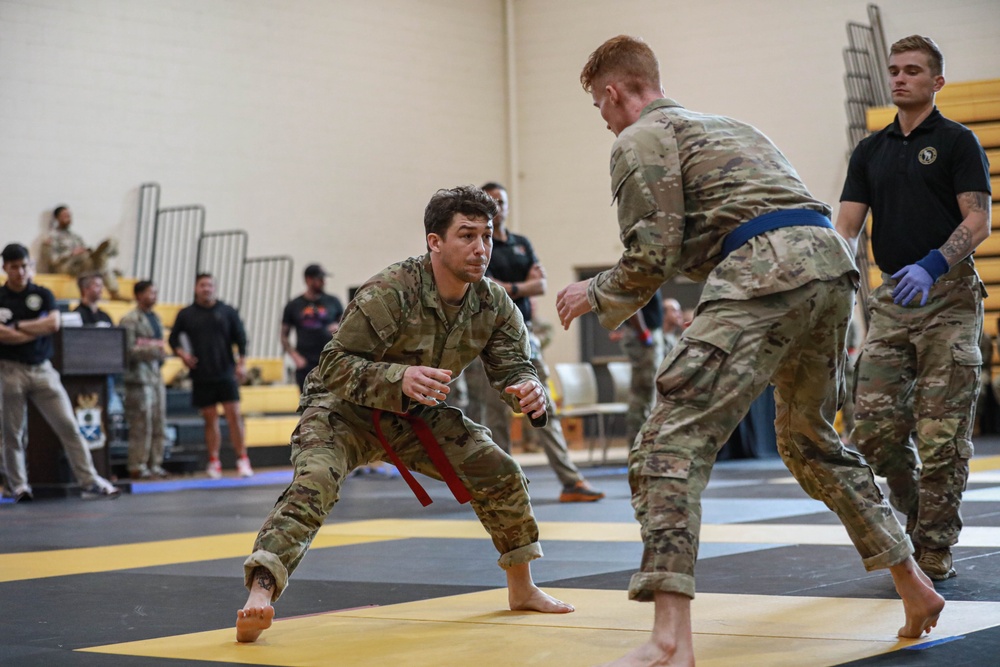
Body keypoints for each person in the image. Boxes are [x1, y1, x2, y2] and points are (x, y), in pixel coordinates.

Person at [555, 35, 944, 666]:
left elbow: (651, 255)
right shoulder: (729, 126)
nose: (605, 122)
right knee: (808, 438)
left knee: (667, 443)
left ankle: (669, 639)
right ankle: (914, 586)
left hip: (767, 268)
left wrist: (592, 291)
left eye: (601, 110)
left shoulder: (640, 138)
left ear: (613, 93)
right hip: (830, 267)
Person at [235, 186, 574, 643]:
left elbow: (512, 366)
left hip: (413, 416)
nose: (481, 249)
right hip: (343, 410)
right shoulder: (392, 289)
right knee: (314, 481)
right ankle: (262, 591)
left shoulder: (494, 304)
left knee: (499, 469)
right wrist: (399, 377)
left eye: (487, 236)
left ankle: (523, 588)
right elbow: (333, 364)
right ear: (435, 242)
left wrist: (526, 389)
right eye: (467, 236)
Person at [836, 35, 992, 582]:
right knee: (874, 429)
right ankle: (923, 518)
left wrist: (933, 265)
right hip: (891, 302)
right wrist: (834, 279)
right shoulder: (870, 151)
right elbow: (847, 228)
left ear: (936, 82)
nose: (900, 78)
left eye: (912, 71)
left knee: (941, 434)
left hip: (947, 298)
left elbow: (977, 221)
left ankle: (933, 548)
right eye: (894, 70)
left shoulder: (957, 142)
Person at [463, 182, 604, 503]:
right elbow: (484, 286)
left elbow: (540, 285)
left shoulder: (521, 244)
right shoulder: (477, 246)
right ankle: (504, 487)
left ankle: (571, 481)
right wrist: (521, 286)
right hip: (485, 337)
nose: (499, 207)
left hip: (524, 333)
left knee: (544, 406)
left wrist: (510, 287)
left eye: (503, 201)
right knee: (496, 416)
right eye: (493, 202)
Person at [0, 243, 121, 501]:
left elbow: (53, 323)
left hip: (43, 369)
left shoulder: (42, 293)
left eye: (24, 266)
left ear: (30, 266)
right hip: (9, 370)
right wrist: (34, 329)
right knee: (12, 433)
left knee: (69, 426)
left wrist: (18, 327)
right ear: (5, 269)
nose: (20, 272)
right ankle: (18, 485)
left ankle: (89, 481)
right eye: (14, 268)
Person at [168, 273, 254, 479]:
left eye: (209, 285)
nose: (206, 288)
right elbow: (173, 340)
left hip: (225, 372)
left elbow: (241, 339)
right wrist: (183, 355)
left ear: (214, 288)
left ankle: (242, 459)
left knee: (234, 416)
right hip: (201, 374)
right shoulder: (186, 314)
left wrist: (241, 365)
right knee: (210, 419)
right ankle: (214, 461)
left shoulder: (227, 311)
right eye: (202, 285)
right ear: (196, 288)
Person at [119, 280, 169, 480]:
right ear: (138, 295)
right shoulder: (130, 320)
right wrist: (153, 349)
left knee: (159, 422)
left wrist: (157, 351)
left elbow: (160, 347)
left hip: (156, 377)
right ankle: (137, 464)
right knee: (141, 424)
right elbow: (128, 349)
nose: (154, 296)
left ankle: (155, 464)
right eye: (150, 292)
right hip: (138, 379)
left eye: (155, 292)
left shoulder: (156, 318)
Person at [609, 294, 664, 446]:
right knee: (642, 395)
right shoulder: (640, 270)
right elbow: (631, 301)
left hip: (647, 335)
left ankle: (643, 446)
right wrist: (643, 333)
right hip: (644, 338)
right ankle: (638, 447)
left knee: (648, 395)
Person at [281, 263, 344, 390]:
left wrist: (338, 328)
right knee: (307, 403)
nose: (323, 282)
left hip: (329, 359)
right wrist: (295, 357)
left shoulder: (333, 301)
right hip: (305, 361)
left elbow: (347, 327)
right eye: (319, 279)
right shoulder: (294, 305)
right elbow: (284, 336)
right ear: (308, 279)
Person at [41, 205, 122, 299]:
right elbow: (52, 260)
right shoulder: (51, 236)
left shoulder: (75, 236)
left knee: (100, 260)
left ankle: (104, 250)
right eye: (65, 215)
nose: (68, 217)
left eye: (69, 215)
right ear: (57, 218)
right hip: (66, 265)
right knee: (98, 262)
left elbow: (84, 250)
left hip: (82, 263)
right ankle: (114, 292)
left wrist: (85, 251)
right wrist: (71, 253)